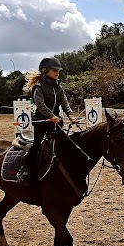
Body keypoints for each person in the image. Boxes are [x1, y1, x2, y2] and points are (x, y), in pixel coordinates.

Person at [17, 57, 76, 186]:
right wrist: (51, 115)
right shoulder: (38, 87)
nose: (57, 73)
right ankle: (25, 169)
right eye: (54, 70)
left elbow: (64, 102)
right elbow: (40, 104)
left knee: (66, 143)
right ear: (45, 71)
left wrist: (70, 115)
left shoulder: (58, 87)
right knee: (38, 146)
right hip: (42, 122)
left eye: (58, 70)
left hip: (56, 122)